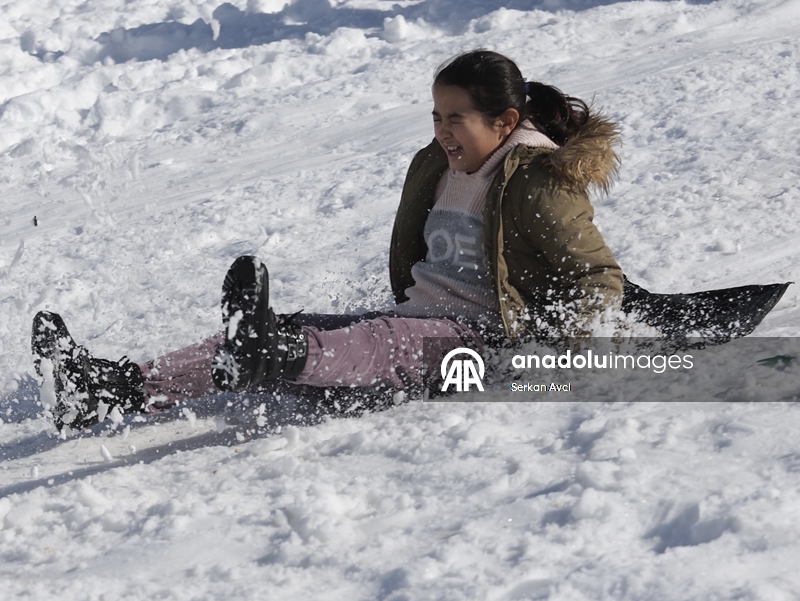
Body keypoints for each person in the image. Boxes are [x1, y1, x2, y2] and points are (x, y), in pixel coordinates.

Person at [31, 50, 623, 433]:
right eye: (437, 116)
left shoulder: (537, 178)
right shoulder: (440, 163)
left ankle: (275, 355)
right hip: (425, 321)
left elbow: (597, 276)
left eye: (457, 119)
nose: (442, 132)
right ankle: (109, 390)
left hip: (486, 350)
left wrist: (555, 353)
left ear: (505, 121)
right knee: (294, 327)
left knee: (377, 341)